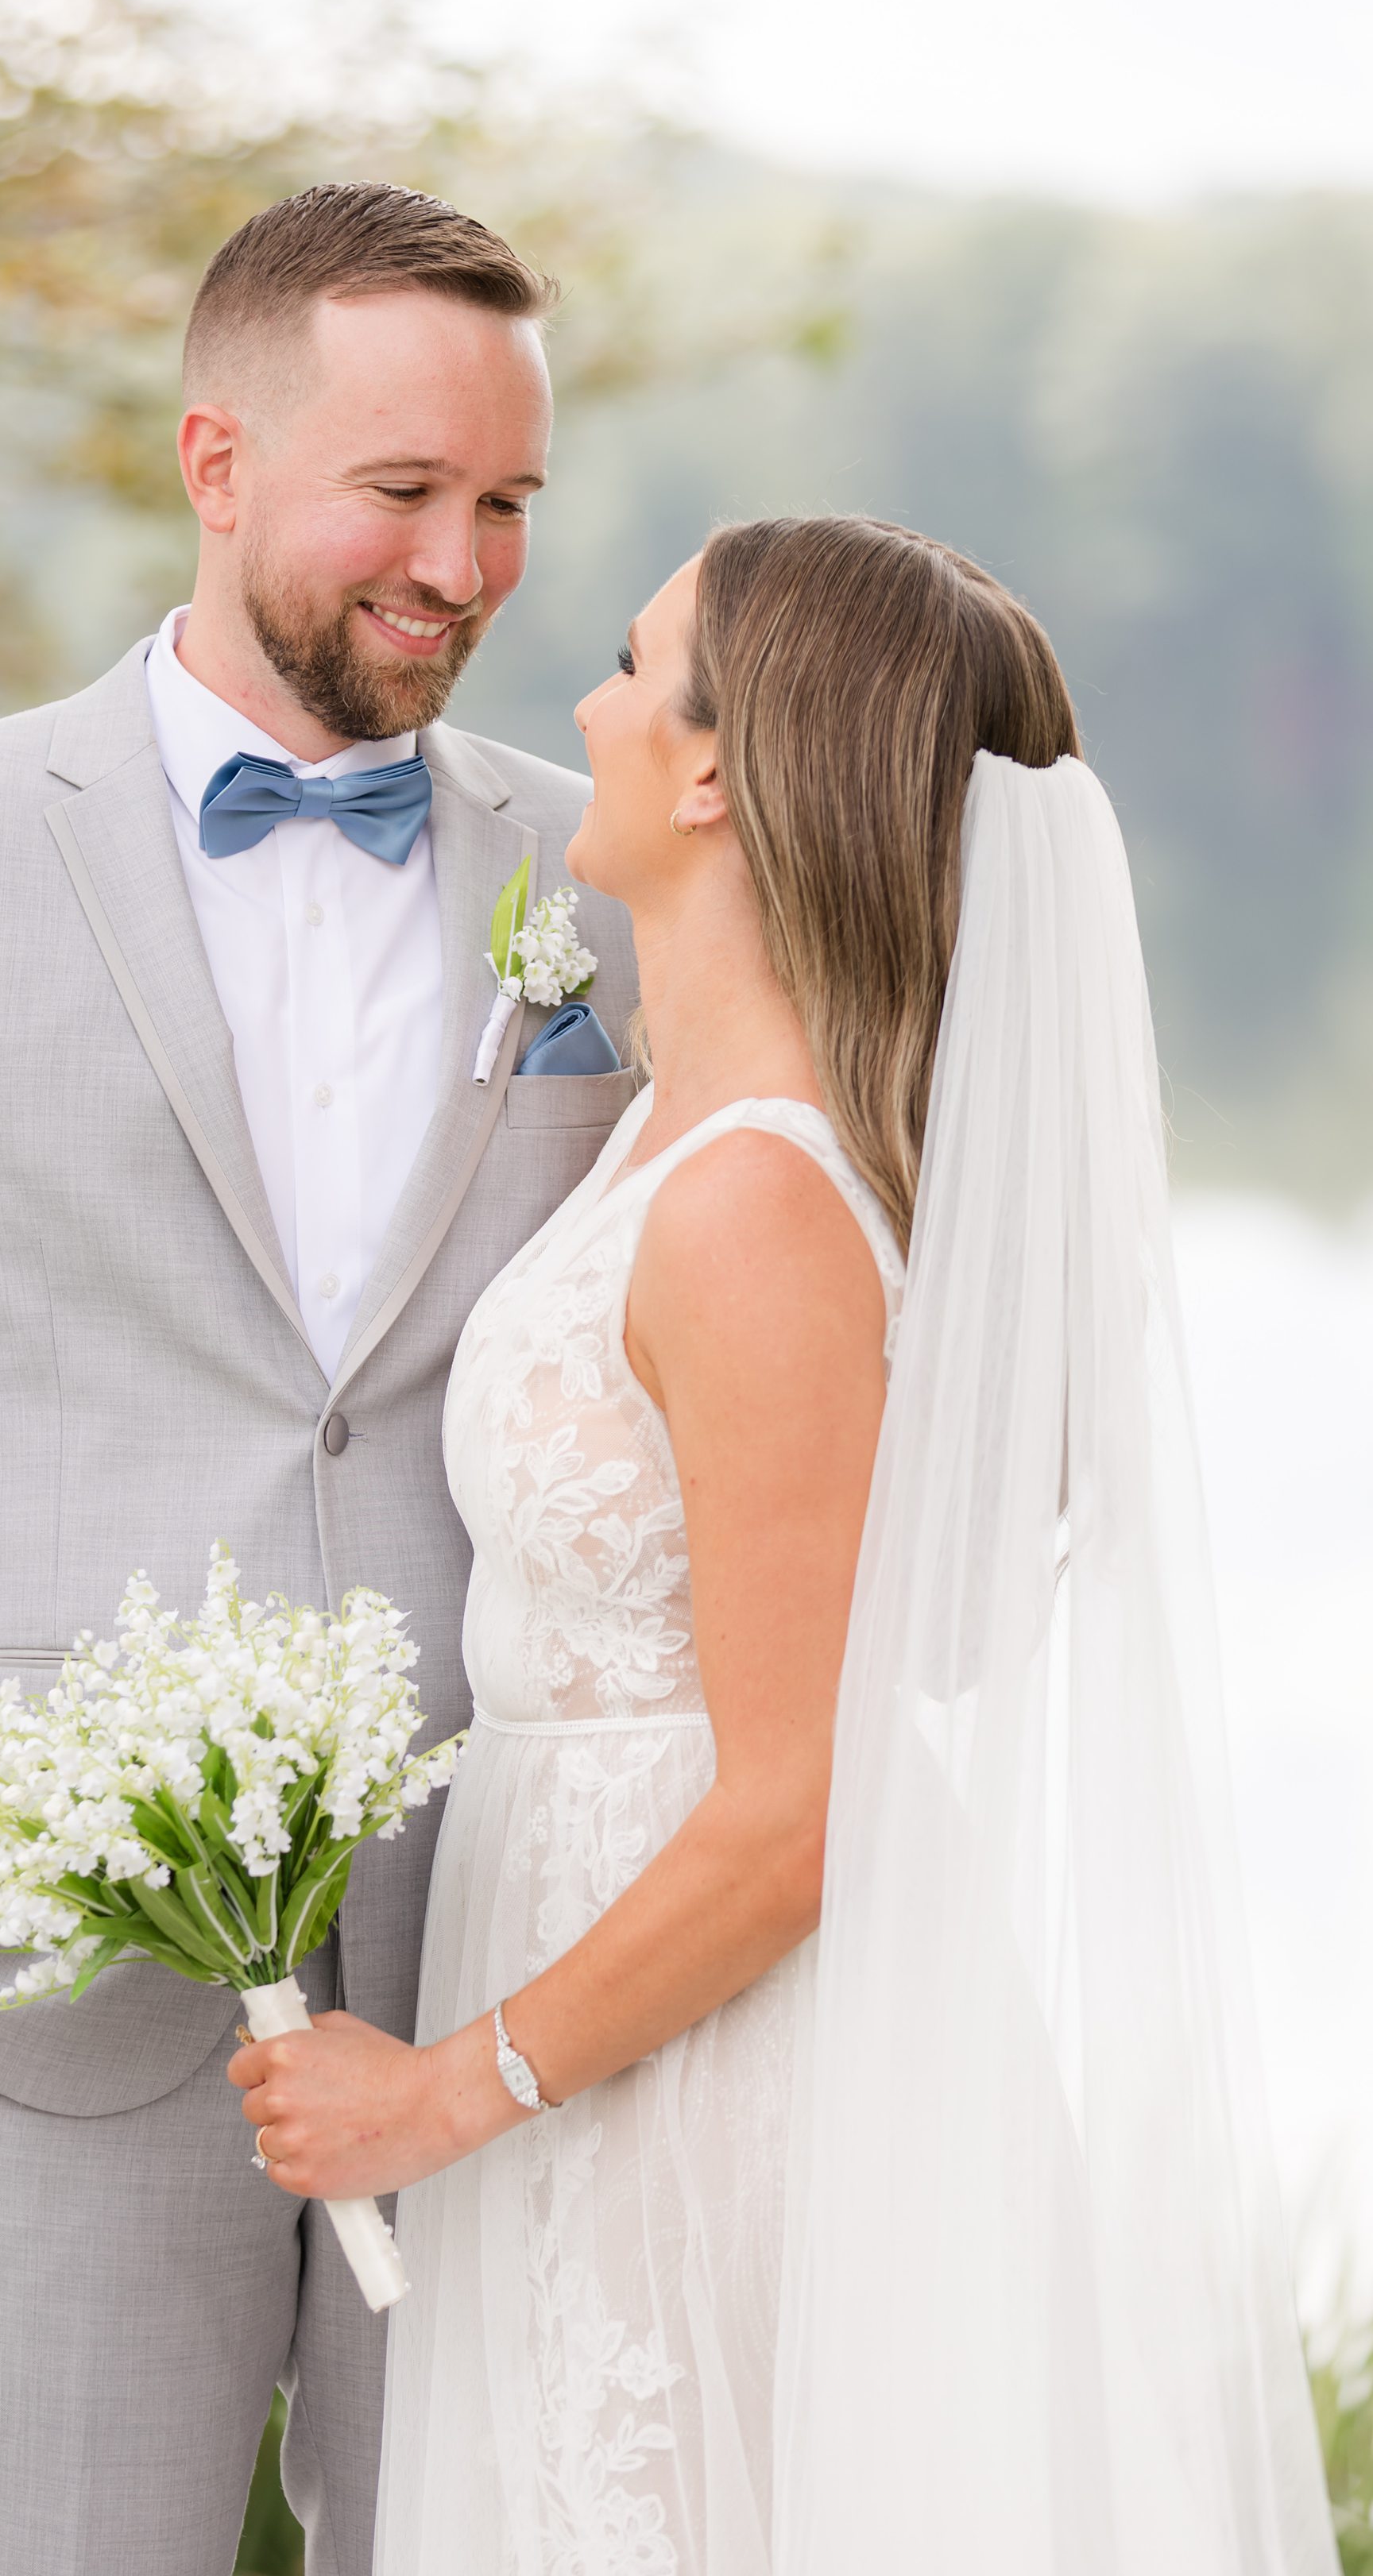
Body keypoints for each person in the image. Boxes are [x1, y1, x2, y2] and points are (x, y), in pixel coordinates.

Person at [0, 181, 638, 2576]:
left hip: (504, 1982)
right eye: (401, 492)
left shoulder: (603, 875)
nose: (464, 564)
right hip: (37, 1984)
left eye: (506, 504)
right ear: (215, 459)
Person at [231, 516, 1336, 2575]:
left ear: (725, 768)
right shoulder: (675, 1130)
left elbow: (802, 1802)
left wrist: (448, 2093)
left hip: (708, 2065)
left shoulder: (754, 1207)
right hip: (602, 2004)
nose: (581, 704)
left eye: (637, 666)